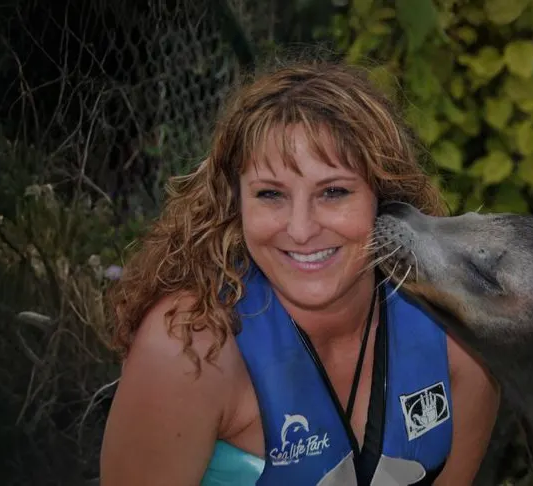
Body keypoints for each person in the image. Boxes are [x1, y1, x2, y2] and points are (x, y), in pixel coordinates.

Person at [97, 57, 502, 486]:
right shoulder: (189, 347)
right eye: (271, 194)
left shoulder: (458, 334)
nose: (301, 229)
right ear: (235, 203)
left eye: (334, 192)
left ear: (383, 196)